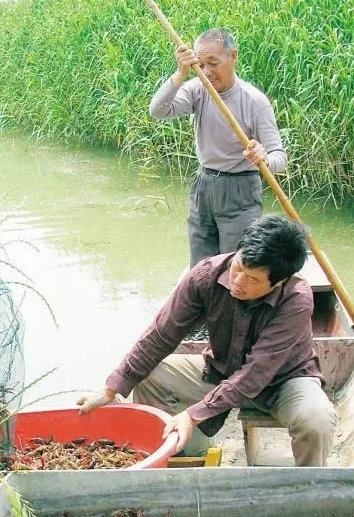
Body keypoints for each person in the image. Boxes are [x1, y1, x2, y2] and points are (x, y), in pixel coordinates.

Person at [77, 216, 337, 467]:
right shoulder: (206, 276)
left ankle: (306, 488)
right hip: (220, 370)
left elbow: (256, 373)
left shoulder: (296, 299)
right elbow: (160, 335)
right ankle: (180, 451)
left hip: (283, 382)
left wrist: (194, 413)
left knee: (317, 420)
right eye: (238, 267)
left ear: (279, 281)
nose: (238, 282)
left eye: (253, 279)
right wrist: (112, 388)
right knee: (150, 373)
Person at [149, 28, 288, 267]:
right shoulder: (197, 89)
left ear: (233, 56)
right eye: (200, 65)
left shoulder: (254, 101)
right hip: (204, 185)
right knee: (201, 266)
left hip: (240, 189)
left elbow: (280, 158)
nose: (207, 72)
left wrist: (263, 158)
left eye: (213, 63)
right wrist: (181, 74)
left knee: (236, 266)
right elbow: (158, 111)